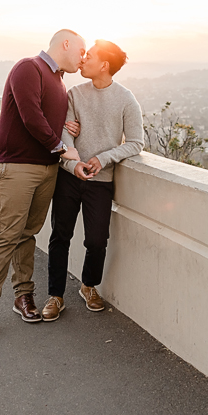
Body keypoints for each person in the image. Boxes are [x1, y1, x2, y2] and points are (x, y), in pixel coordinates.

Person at [0, 29, 86, 345]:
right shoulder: (29, 67)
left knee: (28, 235)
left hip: (47, 171)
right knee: (7, 236)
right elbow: (30, 114)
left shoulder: (60, 82)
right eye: (81, 50)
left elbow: (46, 115)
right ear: (65, 44)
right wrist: (61, 147)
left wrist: (64, 126)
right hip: (18, 167)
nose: (83, 57)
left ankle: (23, 296)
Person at [41, 39, 144, 321]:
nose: (83, 59)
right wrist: (73, 164)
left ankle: (88, 286)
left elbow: (136, 143)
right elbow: (66, 134)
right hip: (69, 177)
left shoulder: (126, 99)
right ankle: (55, 295)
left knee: (97, 241)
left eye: (89, 57)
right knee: (60, 236)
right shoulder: (74, 93)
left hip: (101, 180)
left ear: (104, 65)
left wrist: (104, 158)